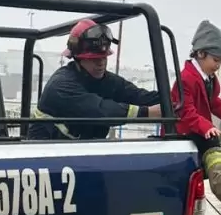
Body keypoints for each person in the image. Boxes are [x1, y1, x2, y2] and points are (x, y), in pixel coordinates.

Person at [28, 19, 161, 140]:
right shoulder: (61, 85)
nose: (101, 63)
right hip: (46, 157)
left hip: (79, 156)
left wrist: (174, 99)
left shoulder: (108, 81)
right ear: (78, 59)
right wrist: (147, 112)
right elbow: (100, 110)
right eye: (94, 59)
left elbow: (138, 96)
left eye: (104, 57)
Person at [173, 19, 221, 139]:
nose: (218, 65)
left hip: (199, 131)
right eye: (215, 60)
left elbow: (214, 103)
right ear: (201, 53)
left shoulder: (208, 79)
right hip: (182, 135)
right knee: (213, 145)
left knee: (213, 142)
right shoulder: (185, 79)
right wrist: (207, 127)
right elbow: (186, 112)